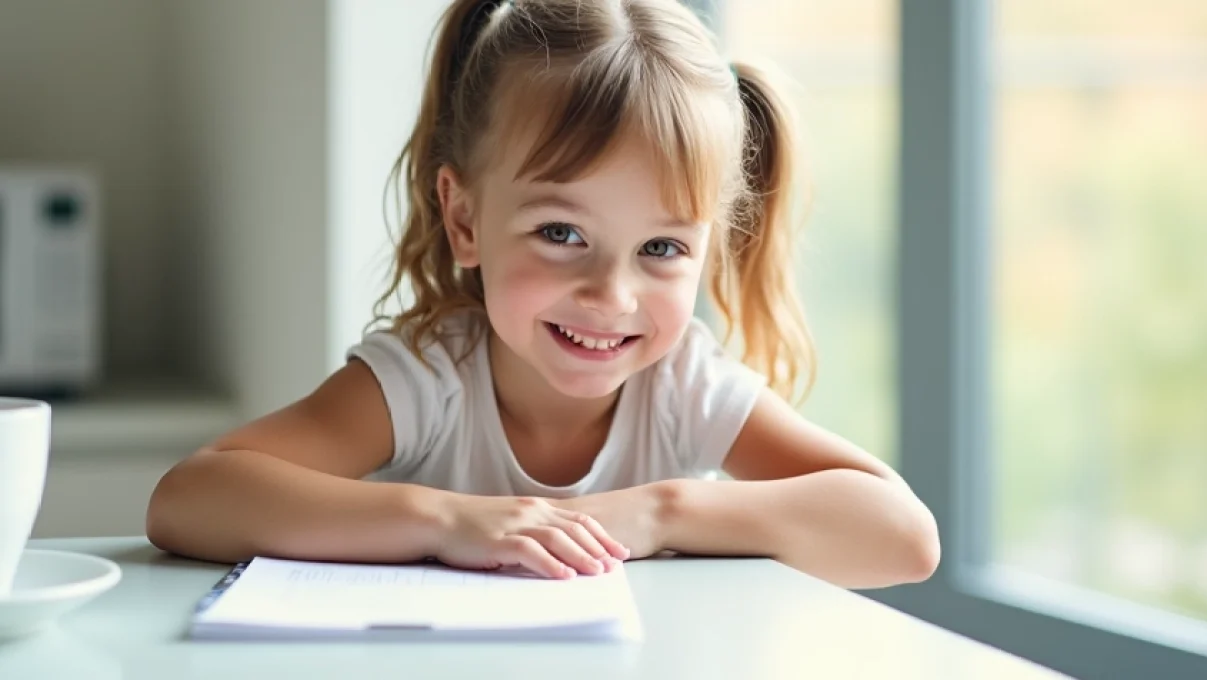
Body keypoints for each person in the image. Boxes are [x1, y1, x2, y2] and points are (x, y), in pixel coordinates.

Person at [146, 0, 939, 590]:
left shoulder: (681, 386)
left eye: (662, 248)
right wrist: (451, 522)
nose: (611, 294)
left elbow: (903, 535)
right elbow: (191, 497)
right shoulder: (431, 377)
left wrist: (658, 513)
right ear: (464, 218)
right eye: (562, 233)